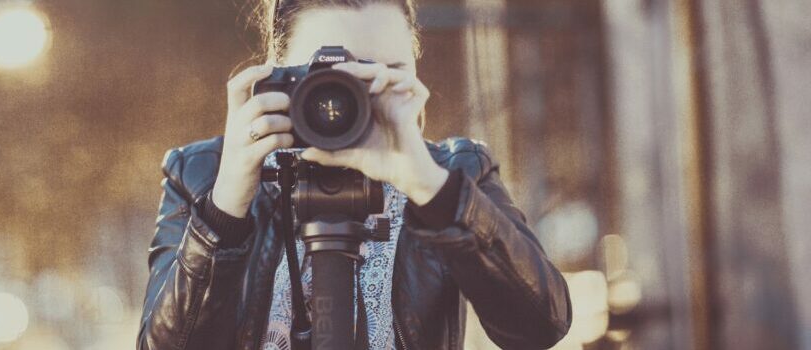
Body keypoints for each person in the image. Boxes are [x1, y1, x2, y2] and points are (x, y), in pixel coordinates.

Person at [138, 0, 571, 349]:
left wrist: (431, 189)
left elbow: (540, 328)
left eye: (383, 77)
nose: (352, 100)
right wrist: (225, 208)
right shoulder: (203, 174)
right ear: (277, 74)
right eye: (330, 77)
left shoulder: (452, 173)